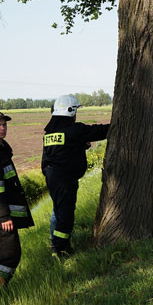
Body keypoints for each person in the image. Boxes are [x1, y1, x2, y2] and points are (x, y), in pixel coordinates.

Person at [42, 95, 110, 258]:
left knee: (58, 212)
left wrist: (79, 147)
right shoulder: (75, 130)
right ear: (70, 111)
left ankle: (57, 246)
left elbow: (57, 153)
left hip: (52, 177)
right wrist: (118, 125)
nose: (76, 115)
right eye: (75, 111)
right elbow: (98, 131)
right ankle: (61, 250)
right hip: (64, 180)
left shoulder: (50, 133)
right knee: (65, 216)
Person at [0, 110, 35, 292]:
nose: (2, 128)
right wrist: (4, 216)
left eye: (4, 125)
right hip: (0, 215)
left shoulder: (1, 148)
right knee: (11, 253)